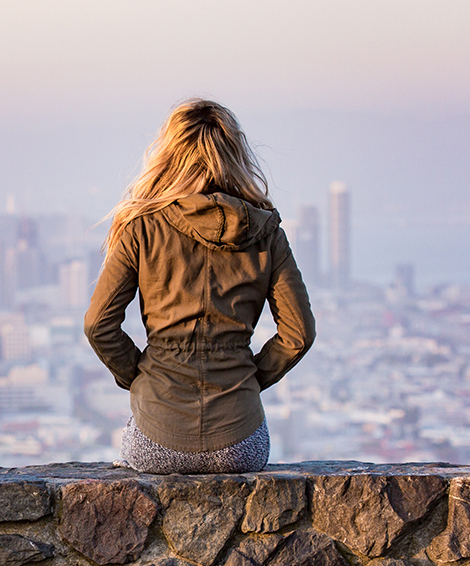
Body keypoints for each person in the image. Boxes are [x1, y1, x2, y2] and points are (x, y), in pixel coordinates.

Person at [84, 99, 314, 474]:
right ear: (235, 154)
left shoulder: (140, 228)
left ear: (168, 155)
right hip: (241, 443)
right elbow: (299, 334)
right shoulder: (267, 233)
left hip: (156, 437)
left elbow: (98, 325)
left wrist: (141, 376)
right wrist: (249, 378)